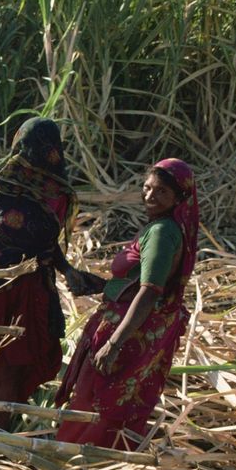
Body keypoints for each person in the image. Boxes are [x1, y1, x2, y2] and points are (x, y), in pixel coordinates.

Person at [0, 117, 103, 426]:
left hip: (32, 289)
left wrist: (67, 271)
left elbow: (50, 244)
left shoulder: (58, 192)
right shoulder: (0, 180)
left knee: (15, 360)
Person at [54, 159, 200, 450]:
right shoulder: (164, 228)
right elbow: (138, 282)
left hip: (130, 330)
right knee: (111, 397)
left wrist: (114, 343)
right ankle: (96, 453)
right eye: (147, 188)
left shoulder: (162, 232)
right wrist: (98, 284)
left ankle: (75, 454)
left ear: (179, 198)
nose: (149, 197)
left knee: (97, 396)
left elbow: (149, 292)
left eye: (161, 192)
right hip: (136, 325)